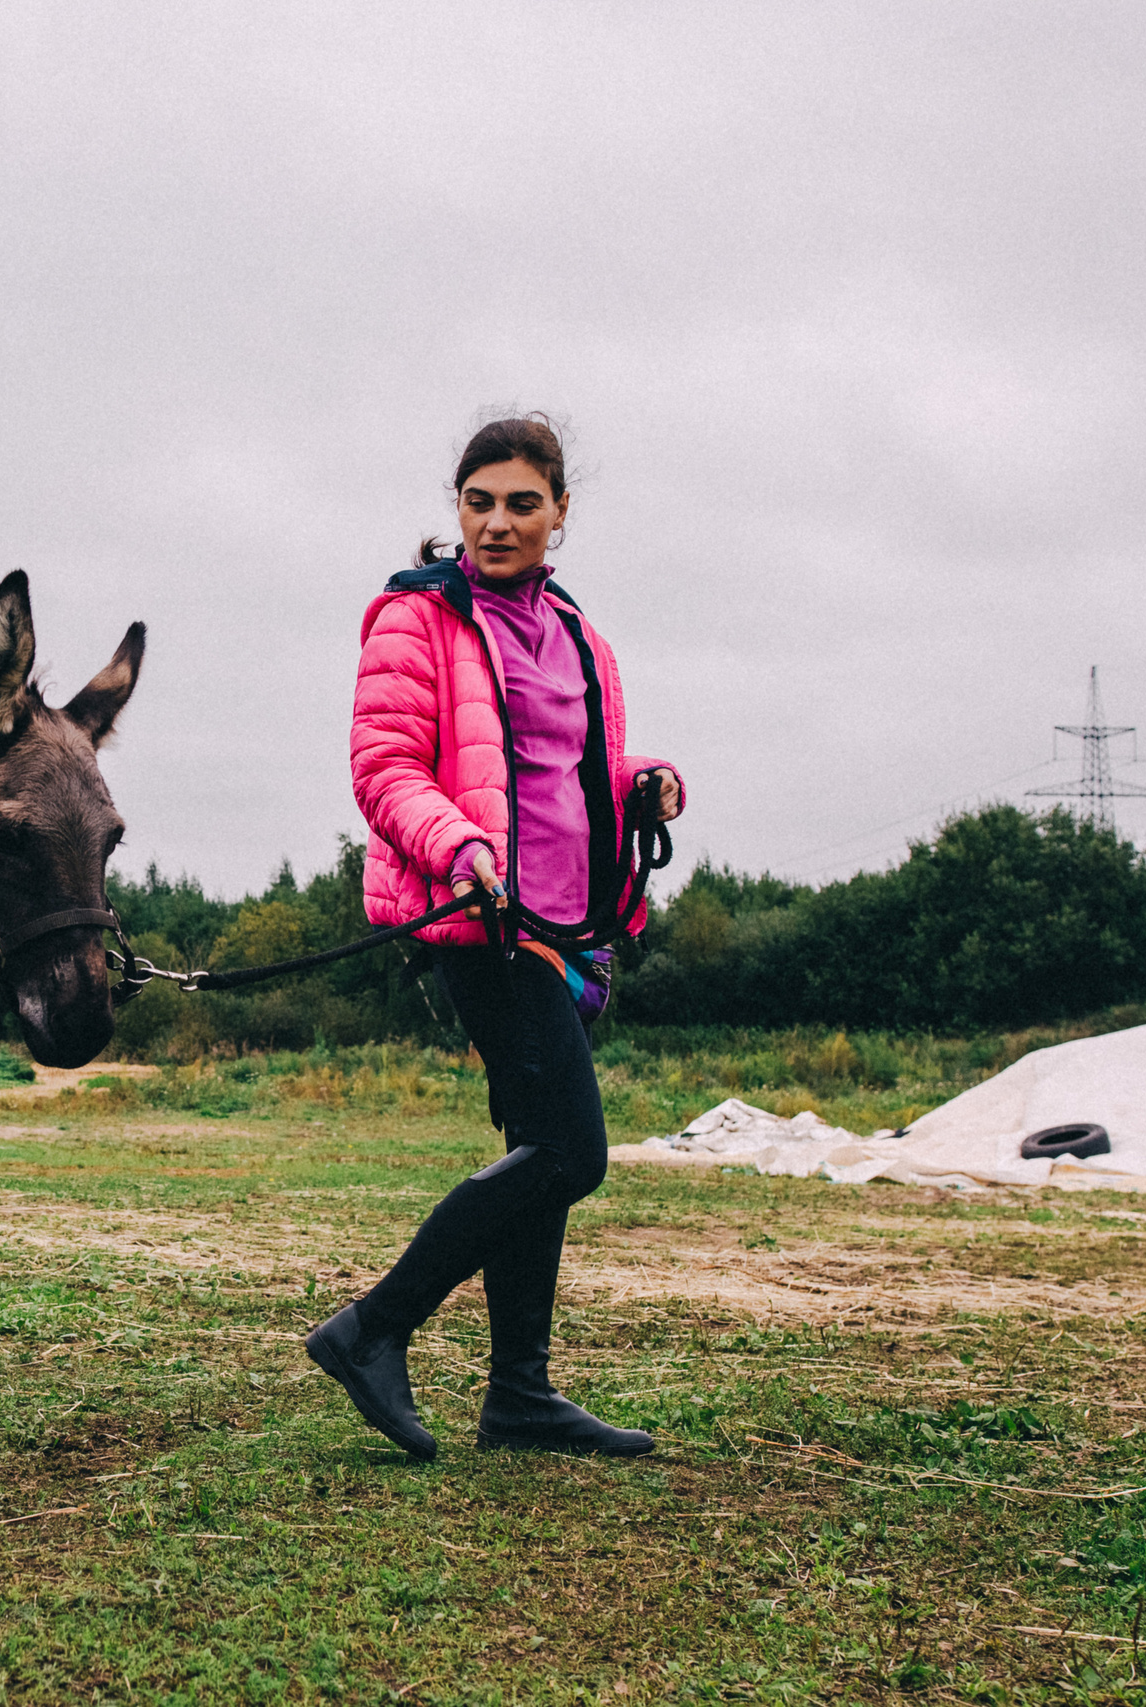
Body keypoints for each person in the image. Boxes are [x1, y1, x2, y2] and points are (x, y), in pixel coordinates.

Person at [309, 415, 685, 1459]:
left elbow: (574, 774)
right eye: (478, 501)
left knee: (538, 1154)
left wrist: (647, 786)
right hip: (482, 918)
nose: (497, 522)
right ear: (456, 509)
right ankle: (370, 1329)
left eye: (522, 502)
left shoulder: (579, 637)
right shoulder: (412, 618)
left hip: (576, 926)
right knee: (571, 1151)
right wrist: (461, 850)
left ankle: (519, 1394)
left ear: (559, 513)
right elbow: (385, 769)